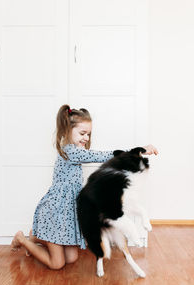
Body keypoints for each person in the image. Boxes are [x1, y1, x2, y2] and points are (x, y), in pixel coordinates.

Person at [11, 104, 158, 270]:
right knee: (57, 263)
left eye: (88, 134)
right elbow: (102, 155)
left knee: (72, 258)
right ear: (67, 130)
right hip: (55, 212)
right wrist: (138, 151)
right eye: (82, 133)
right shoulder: (70, 152)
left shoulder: (74, 150)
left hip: (66, 214)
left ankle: (36, 236)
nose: (86, 138)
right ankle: (22, 239)